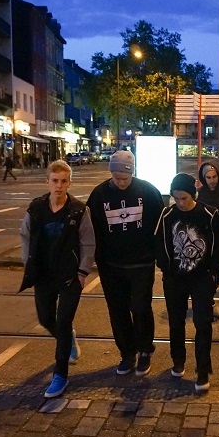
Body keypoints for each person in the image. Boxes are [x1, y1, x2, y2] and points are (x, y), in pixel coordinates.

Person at [19, 160, 95, 398]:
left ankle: (60, 375)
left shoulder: (79, 210)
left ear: (69, 183)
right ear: (48, 182)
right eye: (55, 181)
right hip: (43, 275)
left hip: (70, 276)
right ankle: (68, 338)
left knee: (62, 322)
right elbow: (25, 236)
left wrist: (83, 271)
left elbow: (88, 242)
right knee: (45, 319)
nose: (59, 186)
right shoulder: (36, 208)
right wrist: (28, 264)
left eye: (63, 181)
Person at [86, 150, 165, 376]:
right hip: (110, 265)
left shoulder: (148, 192)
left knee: (140, 308)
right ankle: (126, 353)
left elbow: (160, 225)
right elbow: (91, 229)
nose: (121, 183)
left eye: (125, 178)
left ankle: (145, 350)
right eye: (116, 178)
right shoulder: (99, 194)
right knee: (117, 310)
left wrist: (157, 255)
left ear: (133, 173)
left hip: (142, 263)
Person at [156, 173, 219, 391]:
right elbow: (159, 244)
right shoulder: (167, 215)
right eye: (176, 198)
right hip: (175, 278)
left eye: (184, 198)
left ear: (193, 194)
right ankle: (178, 361)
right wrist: (166, 269)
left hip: (201, 278)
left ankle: (203, 370)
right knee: (175, 322)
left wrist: (212, 273)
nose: (180, 203)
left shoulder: (209, 214)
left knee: (202, 323)